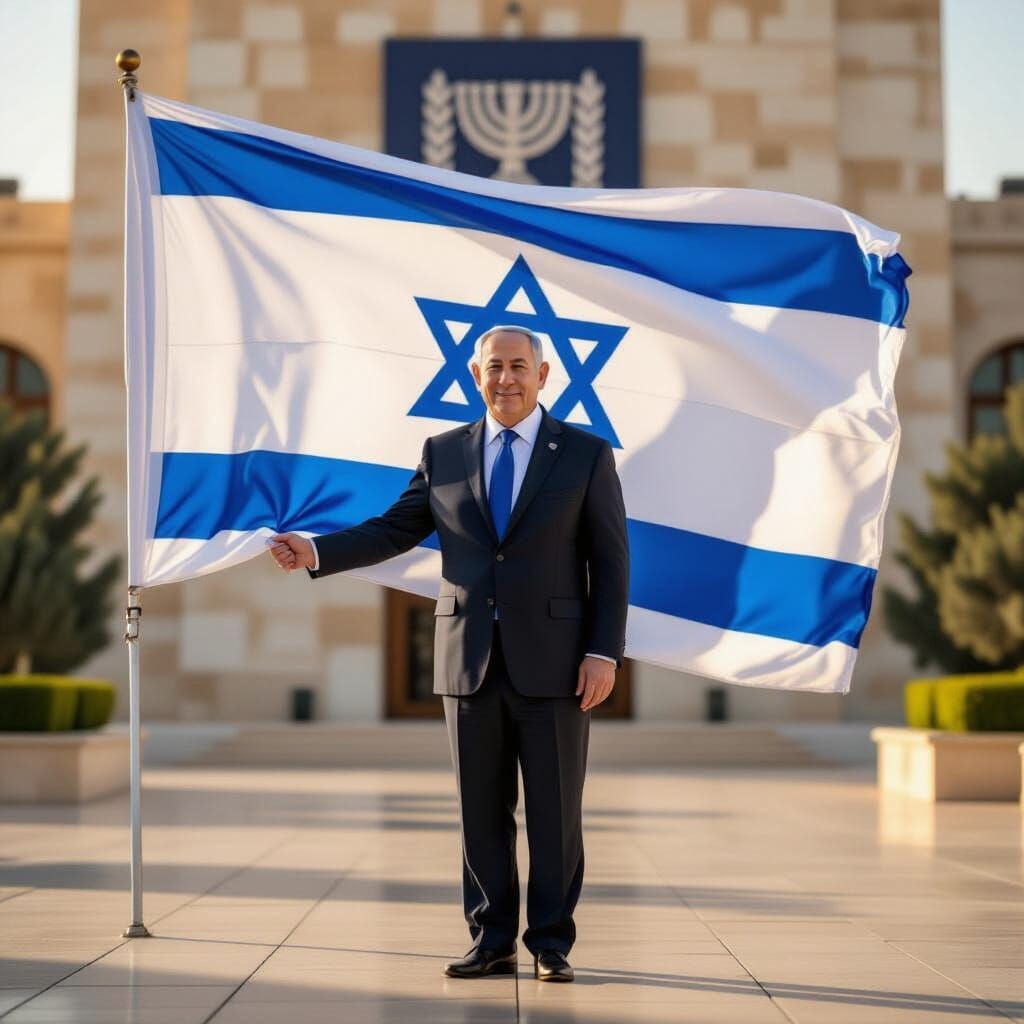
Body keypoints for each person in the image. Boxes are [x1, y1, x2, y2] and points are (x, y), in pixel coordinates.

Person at [269, 325, 629, 983]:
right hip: (467, 661)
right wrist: (316, 550)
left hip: (555, 665)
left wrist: (603, 651)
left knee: (554, 815)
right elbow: (394, 530)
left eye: (519, 366)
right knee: (479, 814)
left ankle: (550, 943)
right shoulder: (444, 452)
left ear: (545, 376)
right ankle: (491, 939)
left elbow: (609, 562)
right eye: (494, 367)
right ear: (475, 375)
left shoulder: (584, 453)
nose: (507, 379)